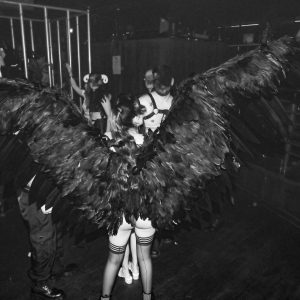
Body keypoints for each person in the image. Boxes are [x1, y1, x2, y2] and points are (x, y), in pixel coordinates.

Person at [100, 94, 155, 300]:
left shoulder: (109, 142)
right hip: (145, 211)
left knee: (113, 260)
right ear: (135, 119)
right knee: (145, 258)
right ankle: (147, 297)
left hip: (120, 213)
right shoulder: (149, 143)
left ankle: (104, 298)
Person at [65, 63, 112, 134]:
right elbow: (74, 86)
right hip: (89, 125)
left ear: (99, 82)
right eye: (91, 81)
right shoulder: (87, 94)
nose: (92, 84)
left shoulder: (103, 97)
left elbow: (109, 116)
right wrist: (70, 74)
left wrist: (108, 133)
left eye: (94, 82)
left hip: (100, 126)